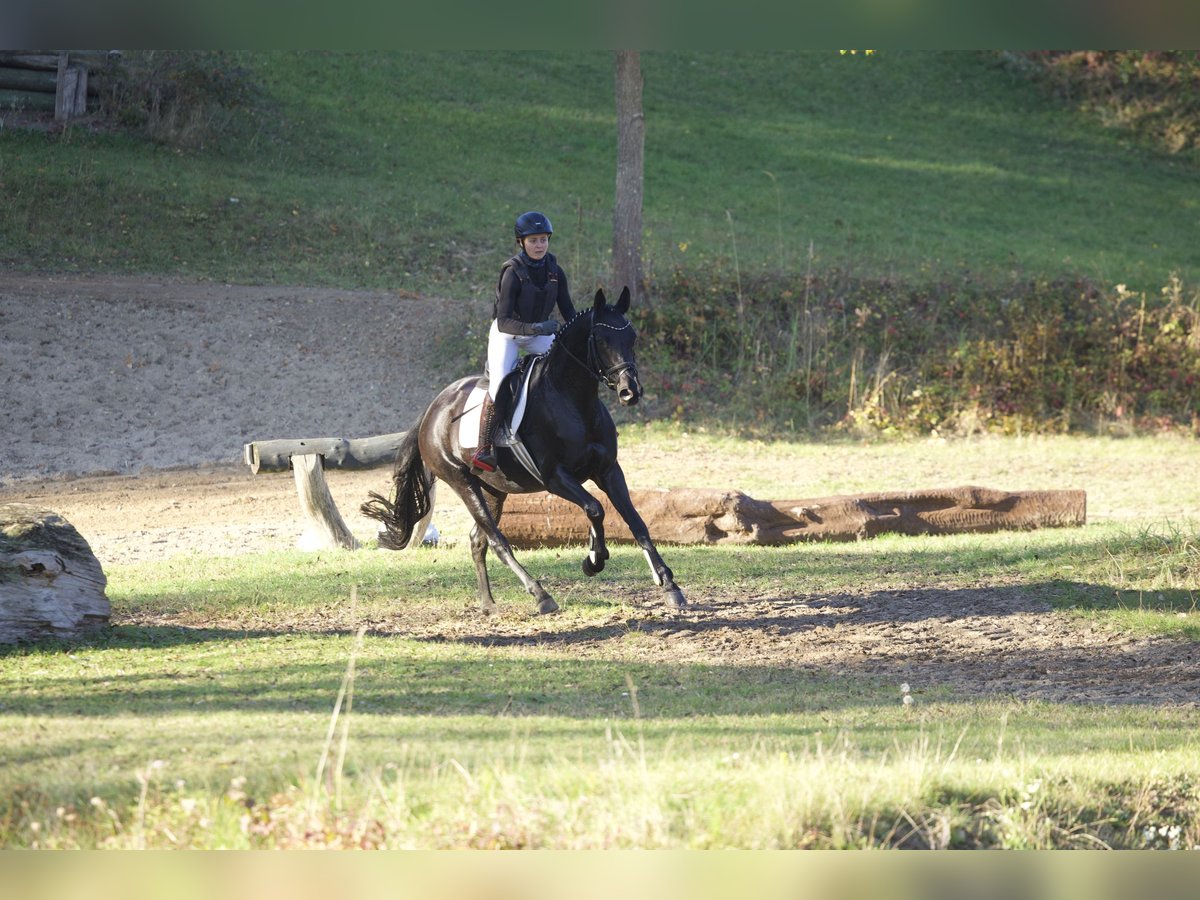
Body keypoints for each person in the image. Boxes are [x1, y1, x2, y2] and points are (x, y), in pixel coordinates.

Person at [472, 210, 576, 472]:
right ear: (521, 242)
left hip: (538, 335)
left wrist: (579, 336)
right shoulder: (512, 273)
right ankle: (484, 447)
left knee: (568, 368)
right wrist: (536, 327)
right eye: (533, 241)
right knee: (499, 384)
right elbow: (503, 320)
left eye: (543, 240)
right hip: (508, 335)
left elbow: (569, 312)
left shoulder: (555, 271)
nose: (539, 245)